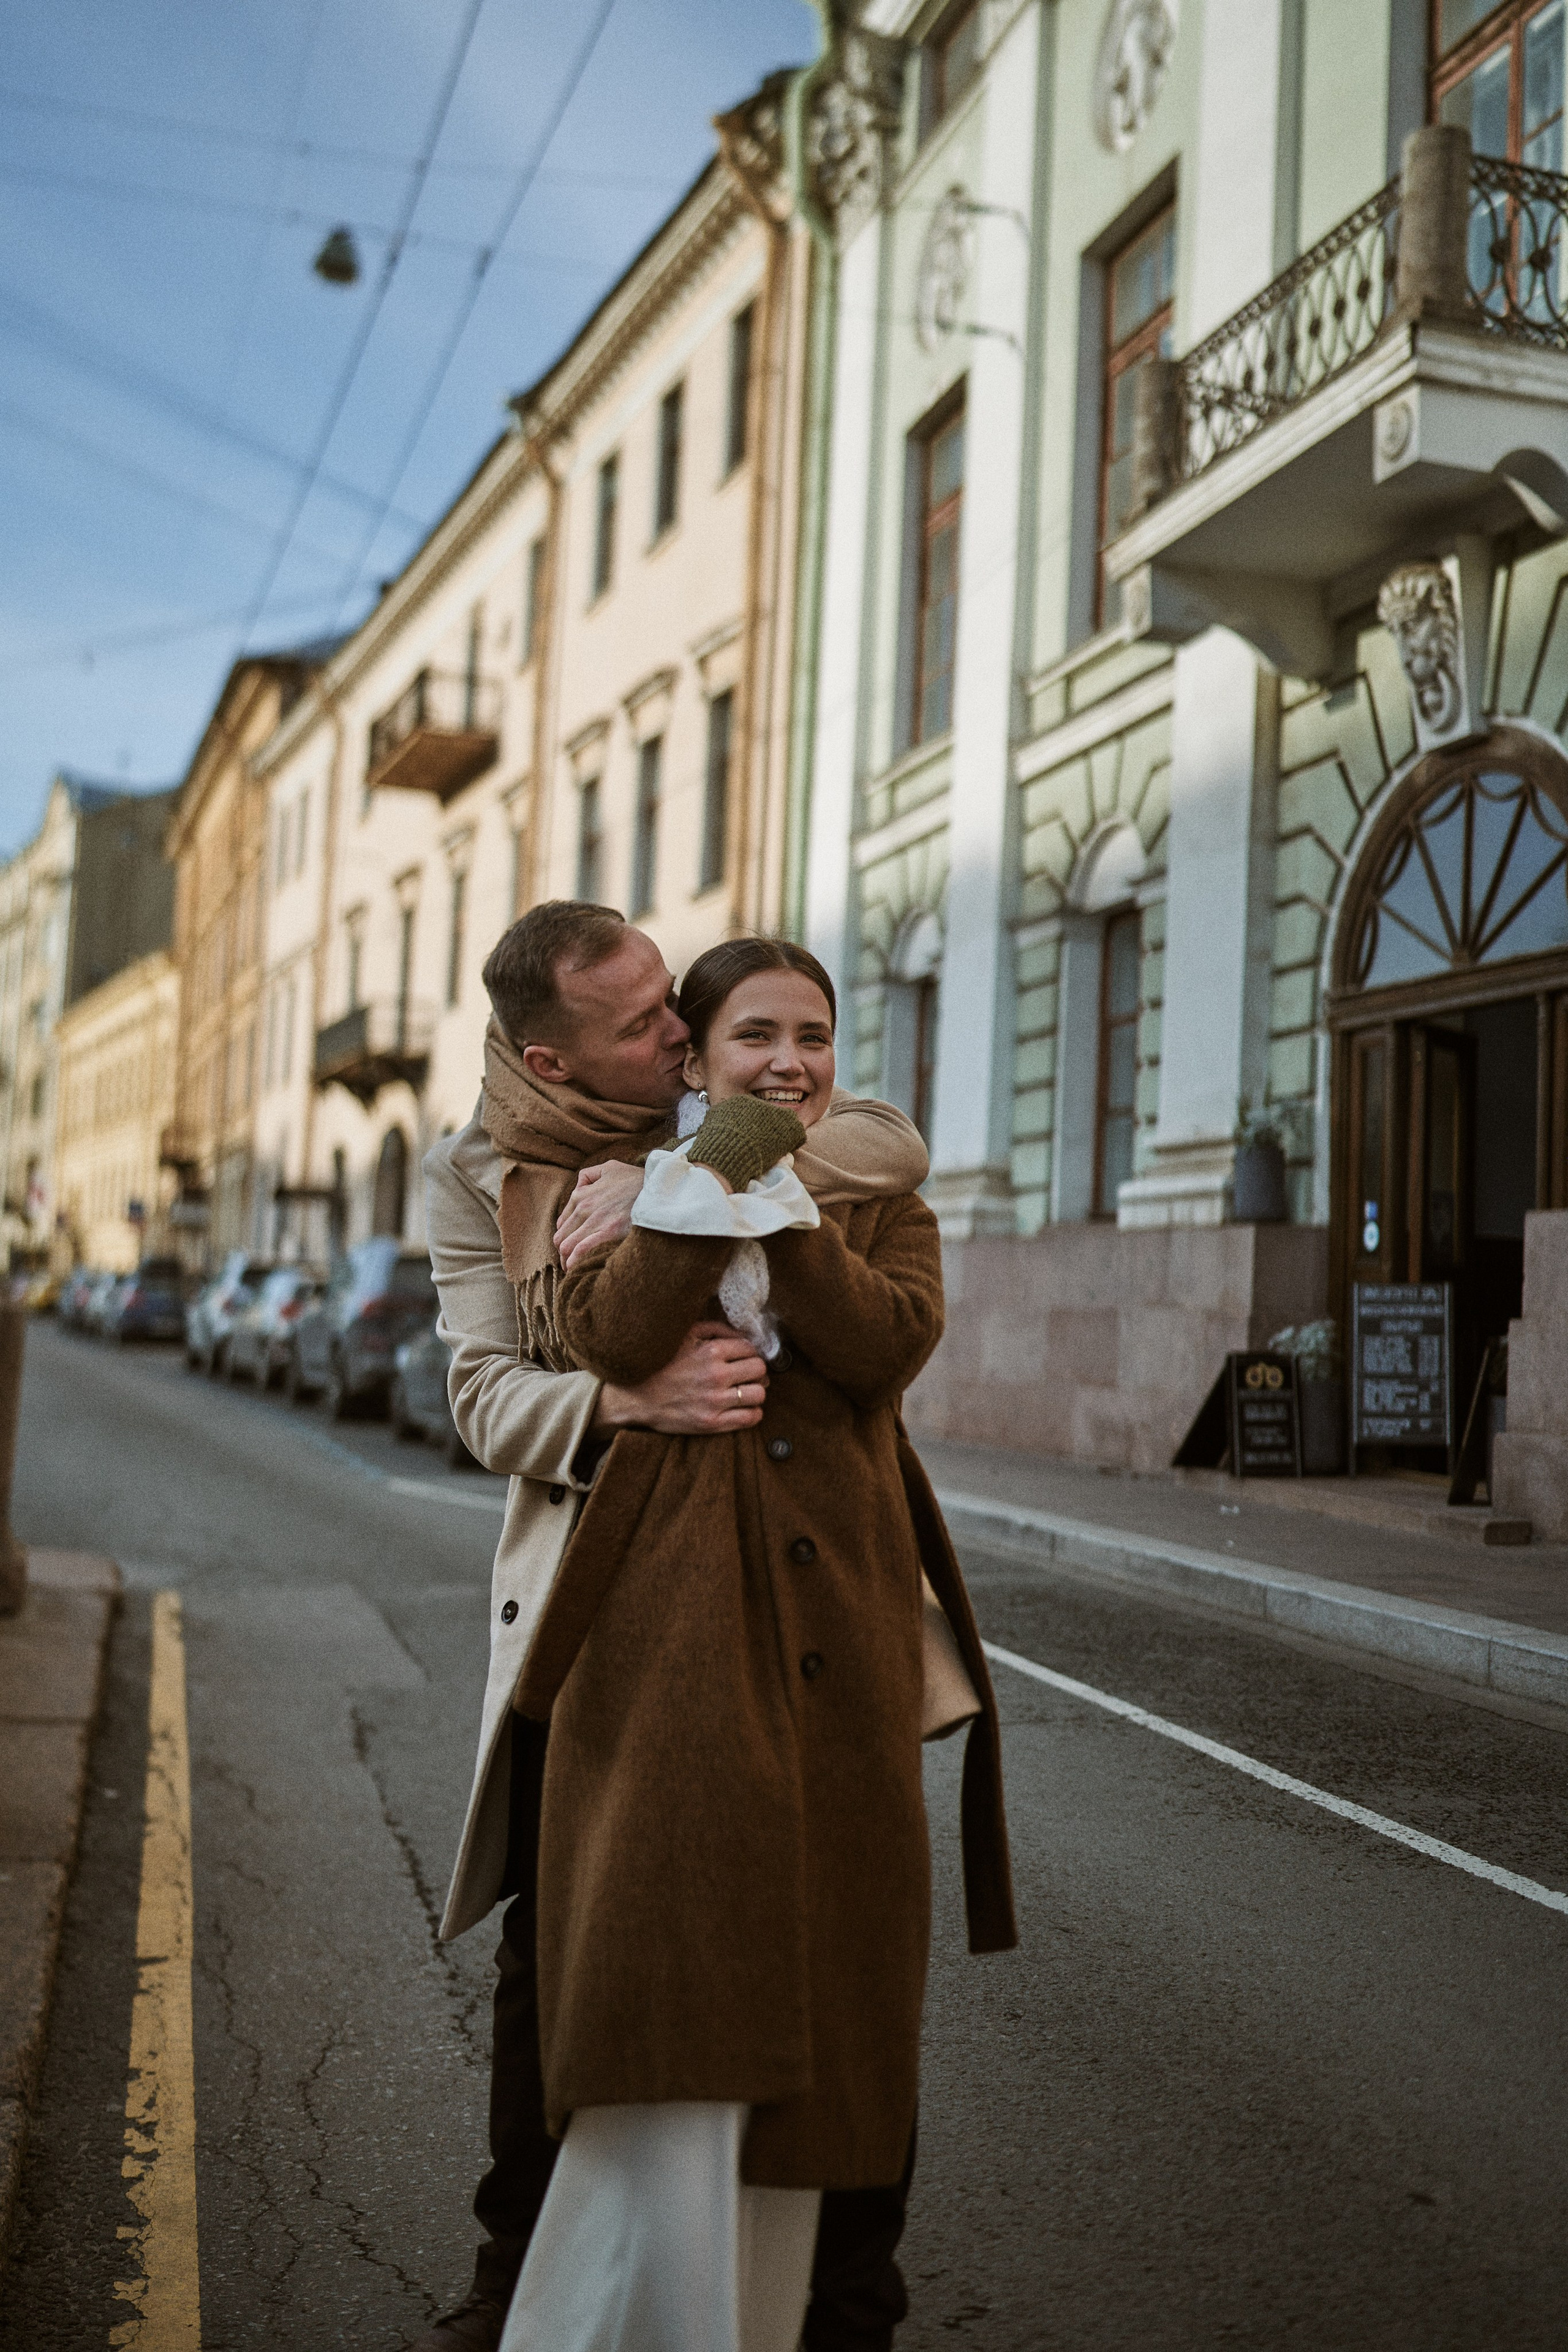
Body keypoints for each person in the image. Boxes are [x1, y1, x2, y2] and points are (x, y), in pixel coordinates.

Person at [414, 903, 960, 2352]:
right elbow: (482, 1396)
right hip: (600, 1583)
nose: (672, 1031)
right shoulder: (471, 1176)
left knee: (843, 1932)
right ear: (551, 1052)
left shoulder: (702, 1095)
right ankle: (512, 2267)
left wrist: (692, 1158)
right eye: (645, 1019)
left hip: (811, 1582)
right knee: (565, 1943)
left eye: (675, 1003)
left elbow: (878, 1136)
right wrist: (620, 1402)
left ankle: (844, 2289)